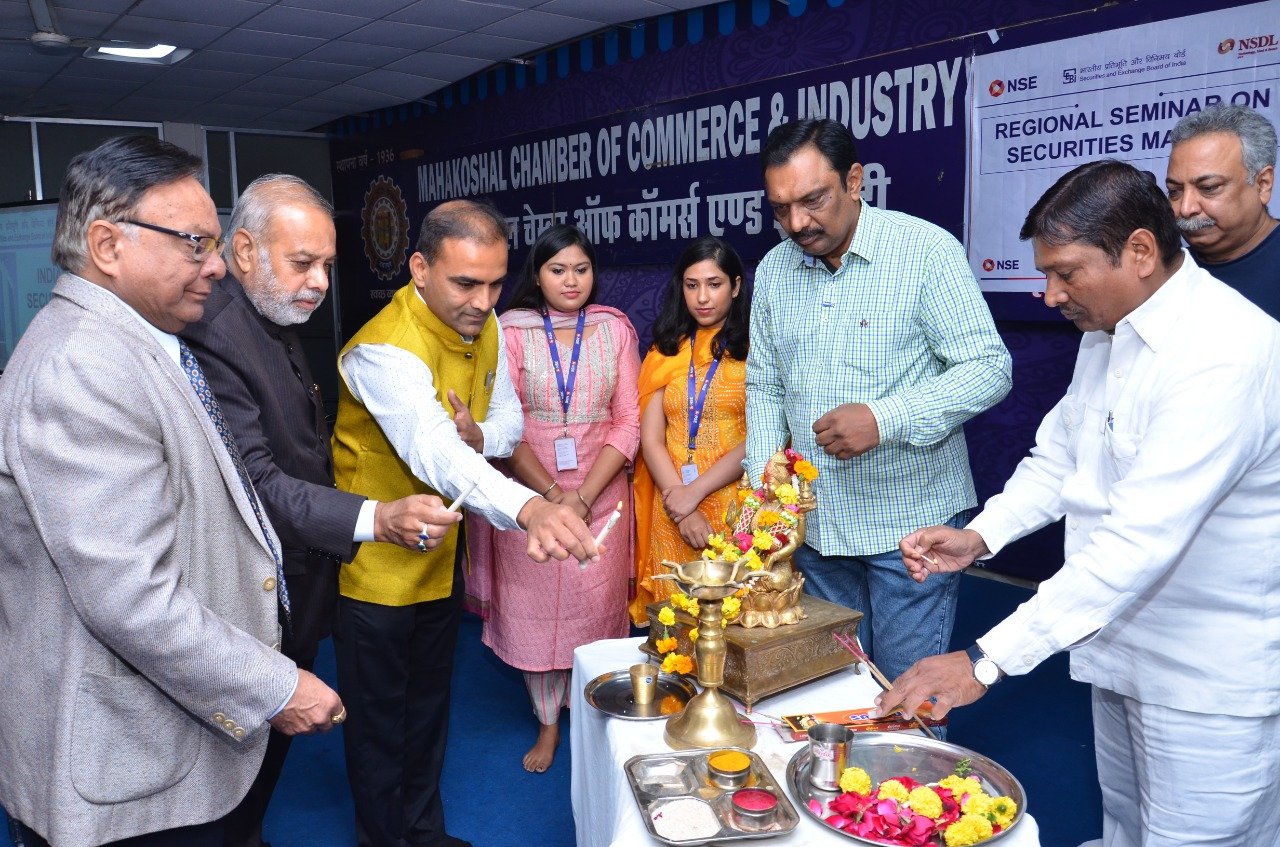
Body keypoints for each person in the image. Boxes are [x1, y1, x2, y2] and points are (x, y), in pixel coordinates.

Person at [884, 159, 1280, 846]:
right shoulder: (1108, 331)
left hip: (1206, 681)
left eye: (1065, 273)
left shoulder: (1223, 352)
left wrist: (985, 659)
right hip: (1118, 649)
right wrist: (983, 535)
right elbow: (1062, 458)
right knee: (1124, 829)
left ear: (1140, 252)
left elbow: (1137, 541)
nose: (1049, 295)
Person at [0, 135, 343, 847]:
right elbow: (131, 598)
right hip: (124, 766)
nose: (216, 265)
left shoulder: (138, 341)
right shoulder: (83, 367)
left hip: (165, 740)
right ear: (107, 244)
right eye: (195, 244)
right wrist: (275, 684)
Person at [180, 174, 459, 847]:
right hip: (247, 599)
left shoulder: (265, 313)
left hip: (295, 581)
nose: (319, 283)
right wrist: (376, 517)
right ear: (244, 250)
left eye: (328, 265)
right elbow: (256, 483)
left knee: (253, 780)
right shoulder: (217, 331)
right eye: (303, 262)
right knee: (228, 780)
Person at [331, 200, 598, 847]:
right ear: (420, 269)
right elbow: (437, 455)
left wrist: (479, 432)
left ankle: (425, 833)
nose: (483, 301)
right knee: (378, 725)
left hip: (438, 557)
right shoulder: (383, 349)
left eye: (495, 283)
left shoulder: (486, 325)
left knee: (428, 710)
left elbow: (505, 425)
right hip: (372, 569)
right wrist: (530, 506)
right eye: (466, 283)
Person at [746, 118, 1012, 681]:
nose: (797, 223)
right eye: (781, 209)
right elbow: (765, 385)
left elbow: (989, 369)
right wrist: (765, 491)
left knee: (906, 693)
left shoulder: (925, 252)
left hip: (910, 527)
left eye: (813, 200)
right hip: (814, 530)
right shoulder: (772, 271)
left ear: (854, 180)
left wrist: (884, 418)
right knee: (825, 688)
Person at [466, 224, 640, 773]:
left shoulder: (615, 330)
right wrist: (551, 494)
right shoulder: (510, 332)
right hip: (530, 496)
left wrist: (583, 497)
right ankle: (547, 723)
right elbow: (504, 425)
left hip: (601, 494)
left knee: (594, 608)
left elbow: (628, 421)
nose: (571, 281)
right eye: (557, 270)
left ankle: (592, 715)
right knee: (536, 613)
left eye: (581, 269)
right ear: (537, 276)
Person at [630, 235, 750, 623]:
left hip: (735, 507)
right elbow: (651, 439)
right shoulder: (666, 350)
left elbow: (762, 438)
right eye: (691, 285)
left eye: (714, 284)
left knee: (734, 621)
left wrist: (694, 493)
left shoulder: (754, 349)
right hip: (672, 507)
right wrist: (682, 509)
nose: (702, 297)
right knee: (675, 624)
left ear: (735, 286)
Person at [1166, 104, 1278, 317]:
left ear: (1262, 184)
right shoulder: (1164, 274)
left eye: (1208, 188)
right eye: (1174, 191)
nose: (1186, 208)